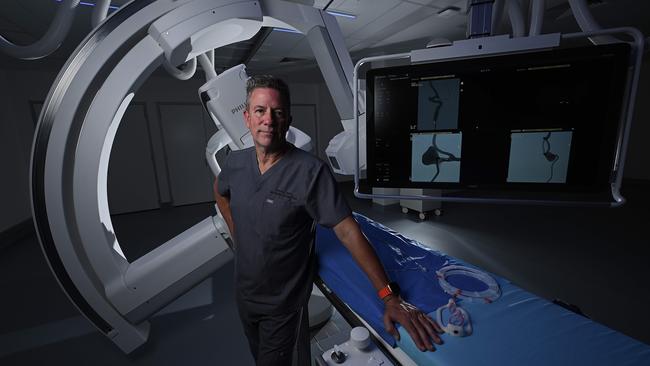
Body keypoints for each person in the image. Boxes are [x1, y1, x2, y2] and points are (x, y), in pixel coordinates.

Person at [214, 75, 443, 366]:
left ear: (288, 119)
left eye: (278, 112)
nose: (268, 120)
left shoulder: (311, 172)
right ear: (247, 118)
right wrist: (237, 231)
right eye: (260, 111)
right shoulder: (236, 163)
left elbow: (348, 232)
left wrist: (389, 298)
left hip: (284, 306)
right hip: (245, 296)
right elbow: (220, 190)